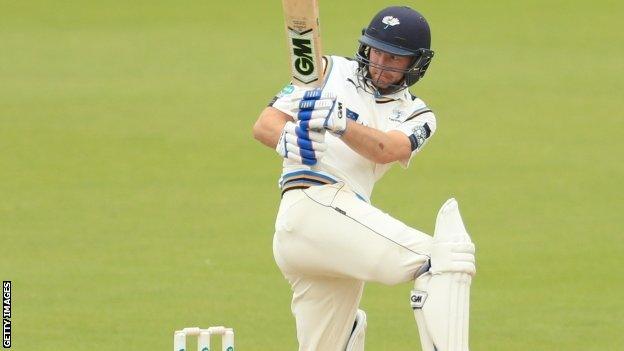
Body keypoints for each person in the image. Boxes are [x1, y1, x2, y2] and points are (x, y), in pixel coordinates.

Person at [253, 6, 476, 351]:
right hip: (311, 206)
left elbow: (387, 149)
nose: (380, 63)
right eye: (376, 51)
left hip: (335, 235)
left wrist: (341, 123)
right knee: (443, 260)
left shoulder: (419, 115)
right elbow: (265, 123)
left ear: (415, 63)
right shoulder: (327, 70)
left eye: (394, 58)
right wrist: (289, 138)